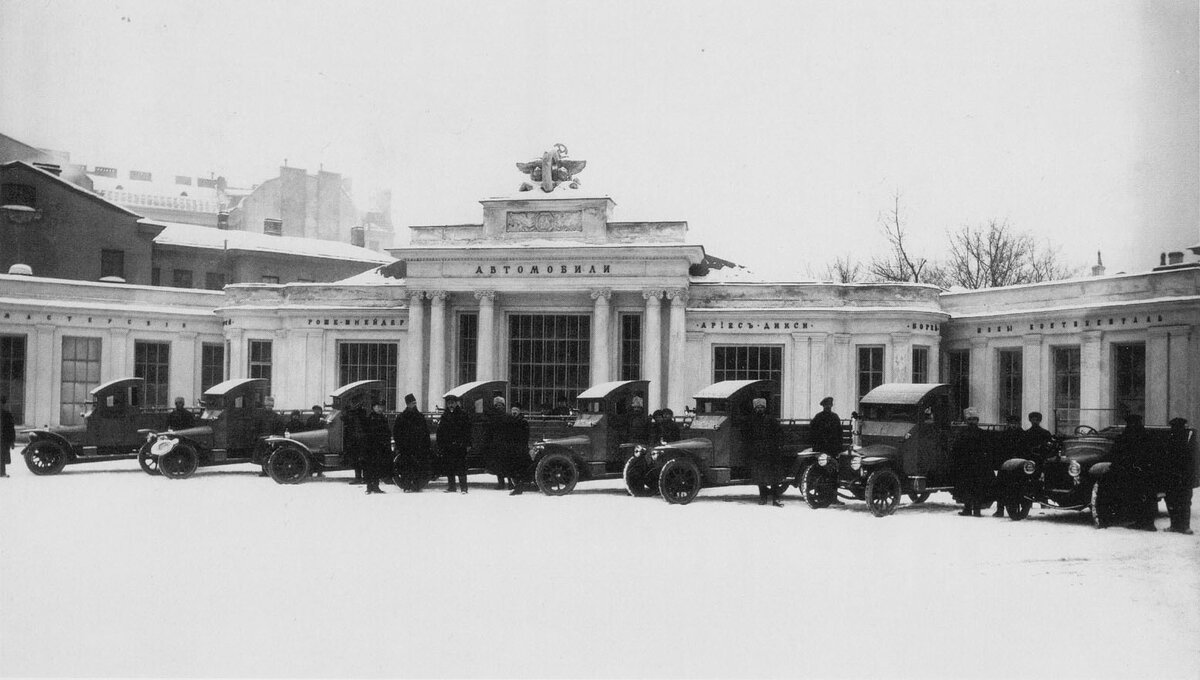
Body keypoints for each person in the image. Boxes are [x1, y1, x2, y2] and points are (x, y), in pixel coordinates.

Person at [1106, 414, 1159, 531]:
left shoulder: (1126, 436)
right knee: (1146, 498)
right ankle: (1146, 522)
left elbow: (1116, 453)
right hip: (1145, 472)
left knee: (1138, 497)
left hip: (1134, 472)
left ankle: (1143, 522)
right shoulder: (1146, 436)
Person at [745, 396, 785, 507]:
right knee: (760, 478)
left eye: (762, 407)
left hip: (771, 453)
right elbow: (747, 436)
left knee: (774, 478)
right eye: (757, 407)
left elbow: (779, 434)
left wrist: (778, 446)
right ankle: (763, 498)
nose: (760, 409)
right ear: (754, 408)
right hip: (758, 453)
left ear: (765, 408)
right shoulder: (751, 421)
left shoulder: (771, 420)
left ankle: (776, 499)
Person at [952, 408, 992, 517]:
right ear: (966, 421)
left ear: (977, 421)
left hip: (979, 466)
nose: (972, 422)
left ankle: (977, 510)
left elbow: (988, 449)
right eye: (970, 419)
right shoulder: (961, 434)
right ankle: (967, 508)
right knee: (966, 488)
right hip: (965, 465)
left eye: (974, 419)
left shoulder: (983, 434)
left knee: (978, 488)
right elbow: (956, 449)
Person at [392, 393, 432, 492]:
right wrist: (400, 445)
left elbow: (425, 432)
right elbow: (397, 433)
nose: (414, 405)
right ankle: (406, 485)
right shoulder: (401, 417)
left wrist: (426, 445)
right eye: (412, 403)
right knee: (406, 467)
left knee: (418, 467)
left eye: (415, 403)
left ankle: (416, 486)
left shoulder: (420, 417)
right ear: (408, 404)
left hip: (419, 447)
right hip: (406, 448)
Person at [809, 396, 844, 503]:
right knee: (822, 472)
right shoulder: (818, 418)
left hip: (833, 450)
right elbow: (813, 434)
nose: (828, 407)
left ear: (831, 406)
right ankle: (823, 495)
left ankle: (834, 497)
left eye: (829, 405)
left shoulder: (835, 417)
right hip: (822, 450)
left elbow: (839, 434)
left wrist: (839, 448)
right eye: (826, 405)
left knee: (834, 473)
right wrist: (817, 448)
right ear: (823, 406)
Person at [1162, 417, 1193, 535]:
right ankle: (1182, 526)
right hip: (1181, 478)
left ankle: (1178, 525)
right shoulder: (1187, 439)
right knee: (1181, 502)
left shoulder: (1178, 440)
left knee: (1175, 501)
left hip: (1176, 477)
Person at [437, 394, 472, 494]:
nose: (450, 405)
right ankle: (451, 487)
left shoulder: (463, 414)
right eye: (449, 403)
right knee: (449, 466)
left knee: (461, 467)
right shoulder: (445, 415)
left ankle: (464, 488)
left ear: (456, 403)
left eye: (452, 403)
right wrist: (441, 445)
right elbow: (440, 432)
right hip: (448, 446)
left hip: (460, 445)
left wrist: (467, 444)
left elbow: (468, 430)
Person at [991, 415, 1024, 517]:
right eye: (1011, 423)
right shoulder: (1003, 435)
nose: (1013, 425)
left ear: (1018, 424)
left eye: (1015, 423)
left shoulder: (1023, 435)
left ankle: (1022, 509)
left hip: (1019, 466)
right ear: (1008, 424)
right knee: (1001, 487)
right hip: (1005, 466)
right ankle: (1000, 510)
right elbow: (999, 450)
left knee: (1020, 487)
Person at [496, 402, 531, 495]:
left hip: (520, 449)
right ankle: (514, 485)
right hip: (511, 449)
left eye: (516, 410)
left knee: (519, 469)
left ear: (519, 411)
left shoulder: (523, 422)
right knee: (512, 469)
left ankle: (518, 487)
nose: (514, 412)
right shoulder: (509, 420)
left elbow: (525, 436)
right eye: (513, 410)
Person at [362, 400, 391, 494]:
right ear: (373, 408)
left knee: (378, 467)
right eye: (377, 407)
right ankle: (369, 486)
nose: (380, 409)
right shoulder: (369, 418)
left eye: (381, 407)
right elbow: (365, 433)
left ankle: (376, 486)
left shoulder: (383, 418)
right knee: (369, 467)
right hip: (370, 447)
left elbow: (387, 432)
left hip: (380, 447)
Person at [483, 392, 510, 490]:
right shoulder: (495, 417)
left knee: (505, 465)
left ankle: (507, 483)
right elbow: (489, 431)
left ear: (503, 406)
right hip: (498, 444)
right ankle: (503, 483)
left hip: (503, 444)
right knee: (501, 465)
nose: (499, 406)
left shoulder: (506, 417)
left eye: (500, 405)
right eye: (497, 405)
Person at [342, 396, 368, 485]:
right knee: (356, 459)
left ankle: (362, 477)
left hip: (359, 438)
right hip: (354, 438)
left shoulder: (360, 412)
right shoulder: (354, 412)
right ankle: (359, 477)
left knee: (361, 459)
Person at [0, 396, 14, 478]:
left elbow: (10, 429)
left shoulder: (7, 414)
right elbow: (11, 429)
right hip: (3, 439)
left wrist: (12, 441)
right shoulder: (7, 414)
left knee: (2, 456)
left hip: (3, 439)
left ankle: (2, 472)